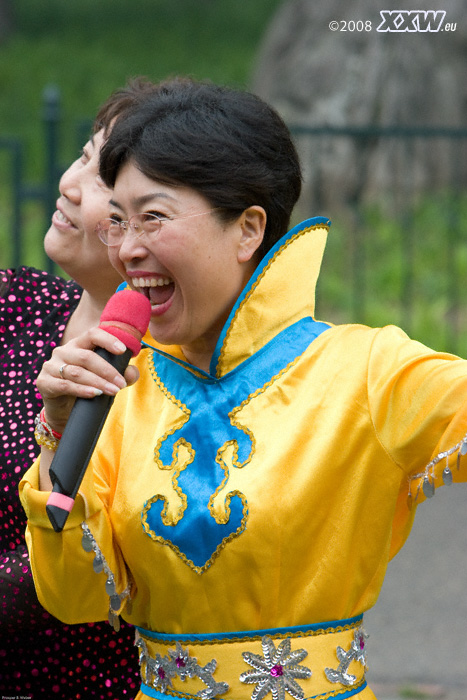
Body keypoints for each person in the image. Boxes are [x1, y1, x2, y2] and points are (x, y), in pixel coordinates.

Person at [19, 77, 467, 700]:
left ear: (248, 228)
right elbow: (76, 601)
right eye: (118, 221)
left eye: (153, 217)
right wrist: (61, 435)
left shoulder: (365, 370)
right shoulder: (123, 389)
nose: (128, 249)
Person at [0, 79, 158, 697]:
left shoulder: (171, 374)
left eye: (102, 184)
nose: (68, 184)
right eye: (85, 158)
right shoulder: (17, 303)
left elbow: (91, 565)